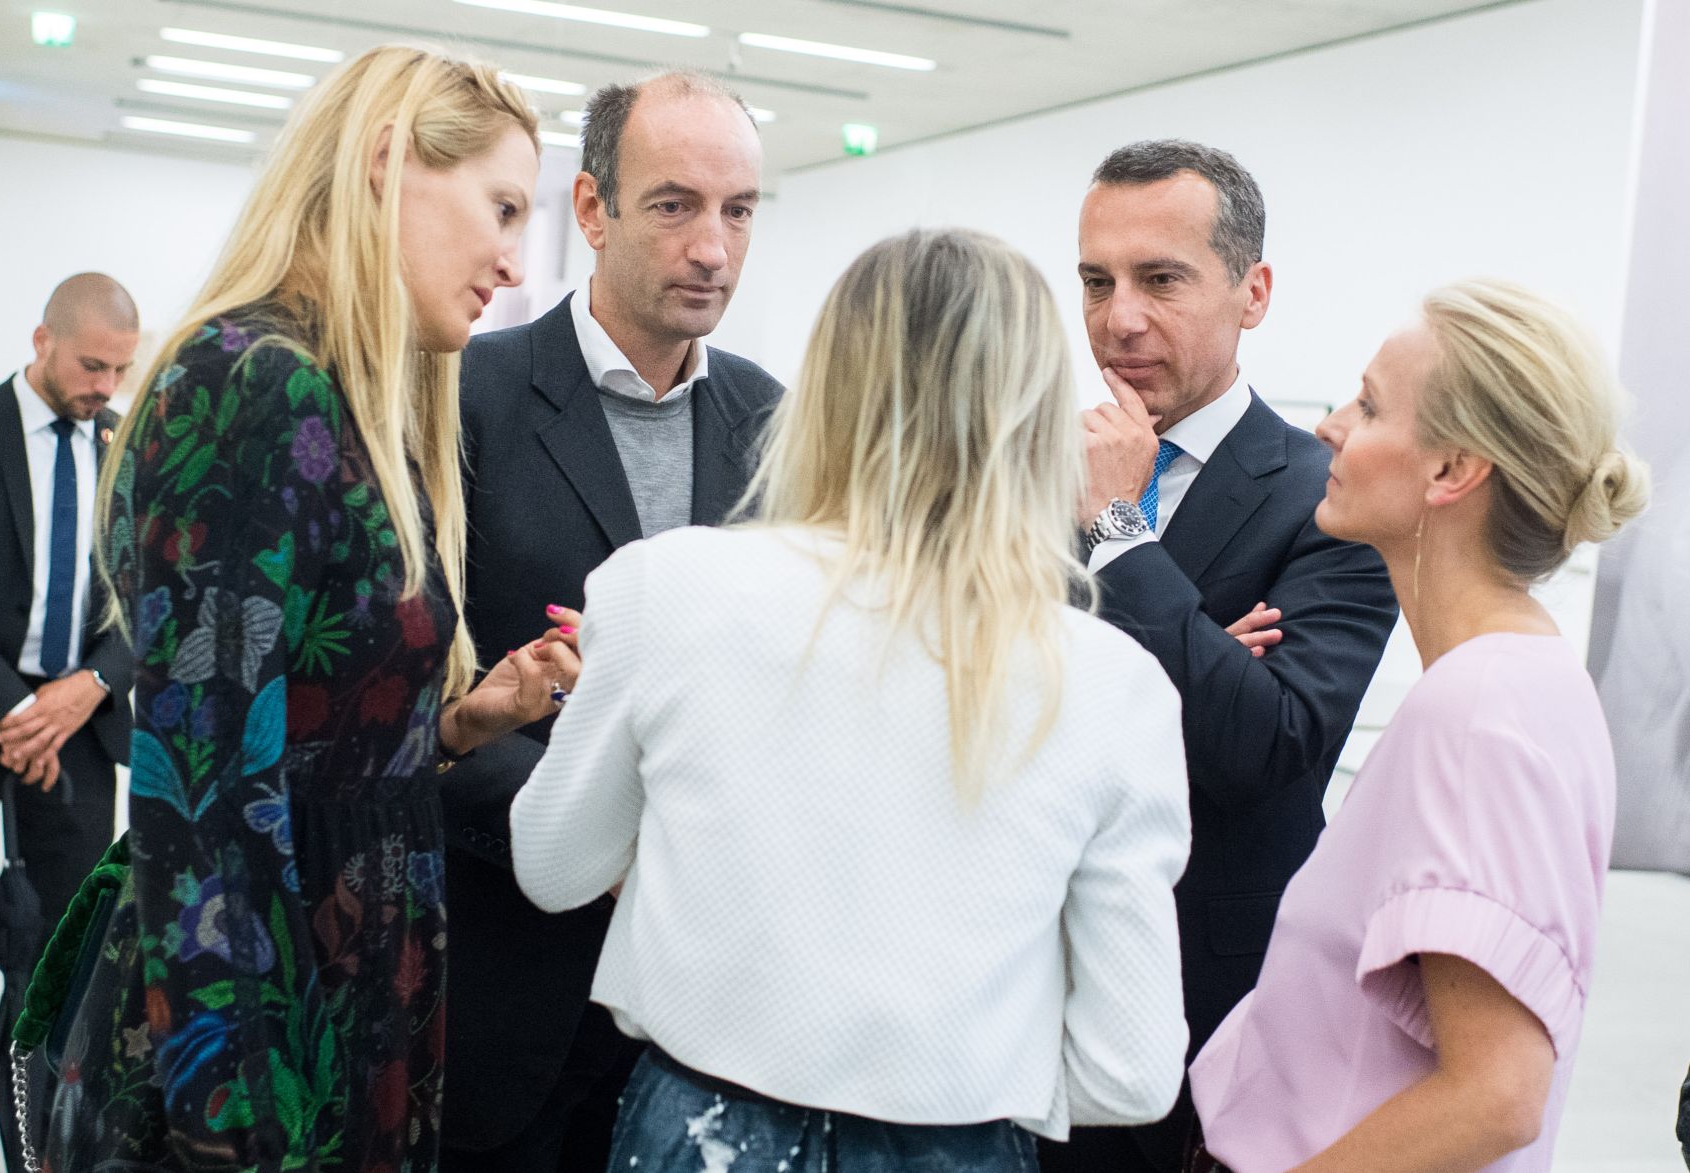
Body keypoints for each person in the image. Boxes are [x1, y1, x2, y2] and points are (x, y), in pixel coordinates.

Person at [511, 227, 1193, 1172]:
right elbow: (1133, 1071)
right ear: (1038, 414)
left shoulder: (664, 588)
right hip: (962, 1141)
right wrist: (952, 1080)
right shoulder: (1116, 686)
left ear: (826, 388)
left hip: (698, 1131)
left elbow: (552, 865)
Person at [36, 46, 548, 1172]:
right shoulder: (248, 382)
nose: (514, 263)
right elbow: (199, 803)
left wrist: (460, 719)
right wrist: (237, 1127)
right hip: (250, 1035)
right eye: (501, 208)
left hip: (346, 990)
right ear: (384, 164)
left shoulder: (354, 402)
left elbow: (324, 735)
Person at [1187, 278, 1649, 1172]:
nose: (1329, 426)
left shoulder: (1478, 709)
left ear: (1451, 470)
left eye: (1367, 405)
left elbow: (1497, 1094)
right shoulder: (1527, 677)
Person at [435, 70, 782, 1173]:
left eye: (737, 211)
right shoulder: (462, 396)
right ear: (590, 210)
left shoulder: (775, 423)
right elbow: (410, 697)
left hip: (699, 1009)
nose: (712, 248)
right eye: (675, 204)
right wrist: (597, 845)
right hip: (501, 974)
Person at [1043, 139, 1400, 1173]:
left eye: (1160, 280)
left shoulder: (1325, 495)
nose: (1118, 319)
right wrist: (1198, 651)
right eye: (1095, 281)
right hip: (1012, 975)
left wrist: (1117, 534)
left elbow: (1266, 740)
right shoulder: (1027, 473)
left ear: (1252, 293)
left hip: (1207, 997)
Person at [0, 272, 137, 1166]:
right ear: (42, 340)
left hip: (79, 733)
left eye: (119, 371)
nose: (105, 387)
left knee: (60, 965)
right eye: (92, 365)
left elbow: (154, 595)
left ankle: (36, 1148)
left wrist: (88, 684)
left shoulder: (128, 450)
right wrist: (18, 709)